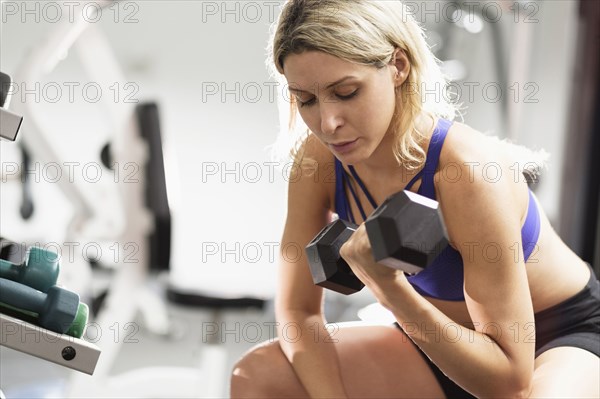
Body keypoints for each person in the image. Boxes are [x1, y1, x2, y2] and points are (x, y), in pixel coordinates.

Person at [230, 1, 600, 397]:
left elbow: (509, 382)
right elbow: (298, 312)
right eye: (306, 99)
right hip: (433, 342)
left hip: (552, 339)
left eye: (346, 92)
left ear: (398, 66)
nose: (328, 123)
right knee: (258, 375)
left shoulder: (465, 174)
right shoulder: (318, 161)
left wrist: (389, 287)